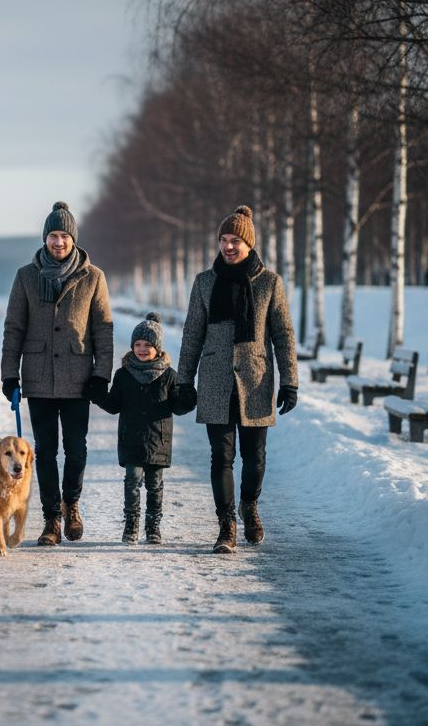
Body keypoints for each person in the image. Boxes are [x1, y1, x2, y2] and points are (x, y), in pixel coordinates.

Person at [176, 205, 299, 554]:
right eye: (223, 240)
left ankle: (250, 507)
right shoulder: (204, 282)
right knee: (221, 456)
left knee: (255, 456)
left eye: (235, 241)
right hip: (215, 379)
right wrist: (184, 381)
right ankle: (226, 524)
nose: (228, 247)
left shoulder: (269, 283)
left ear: (249, 243)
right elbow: (191, 335)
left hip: (255, 379)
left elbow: (284, 335)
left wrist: (291, 381)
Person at [1, 201, 114, 546]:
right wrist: (10, 374)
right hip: (38, 377)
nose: (58, 242)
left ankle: (72, 504)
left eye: (64, 235)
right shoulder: (26, 276)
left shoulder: (93, 277)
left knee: (76, 450)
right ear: (45, 238)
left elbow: (103, 330)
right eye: (53, 235)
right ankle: (52, 519)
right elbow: (14, 328)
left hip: (78, 377)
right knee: (44, 452)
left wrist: (101, 374)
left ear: (73, 238)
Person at [87, 312, 192, 544]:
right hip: (131, 439)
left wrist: (187, 400)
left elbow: (177, 406)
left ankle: (153, 526)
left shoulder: (169, 376)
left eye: (148, 345)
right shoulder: (123, 375)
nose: (142, 349)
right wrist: (98, 396)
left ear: (158, 348)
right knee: (132, 481)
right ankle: (131, 524)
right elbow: (114, 405)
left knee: (155, 485)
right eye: (138, 344)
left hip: (158, 440)